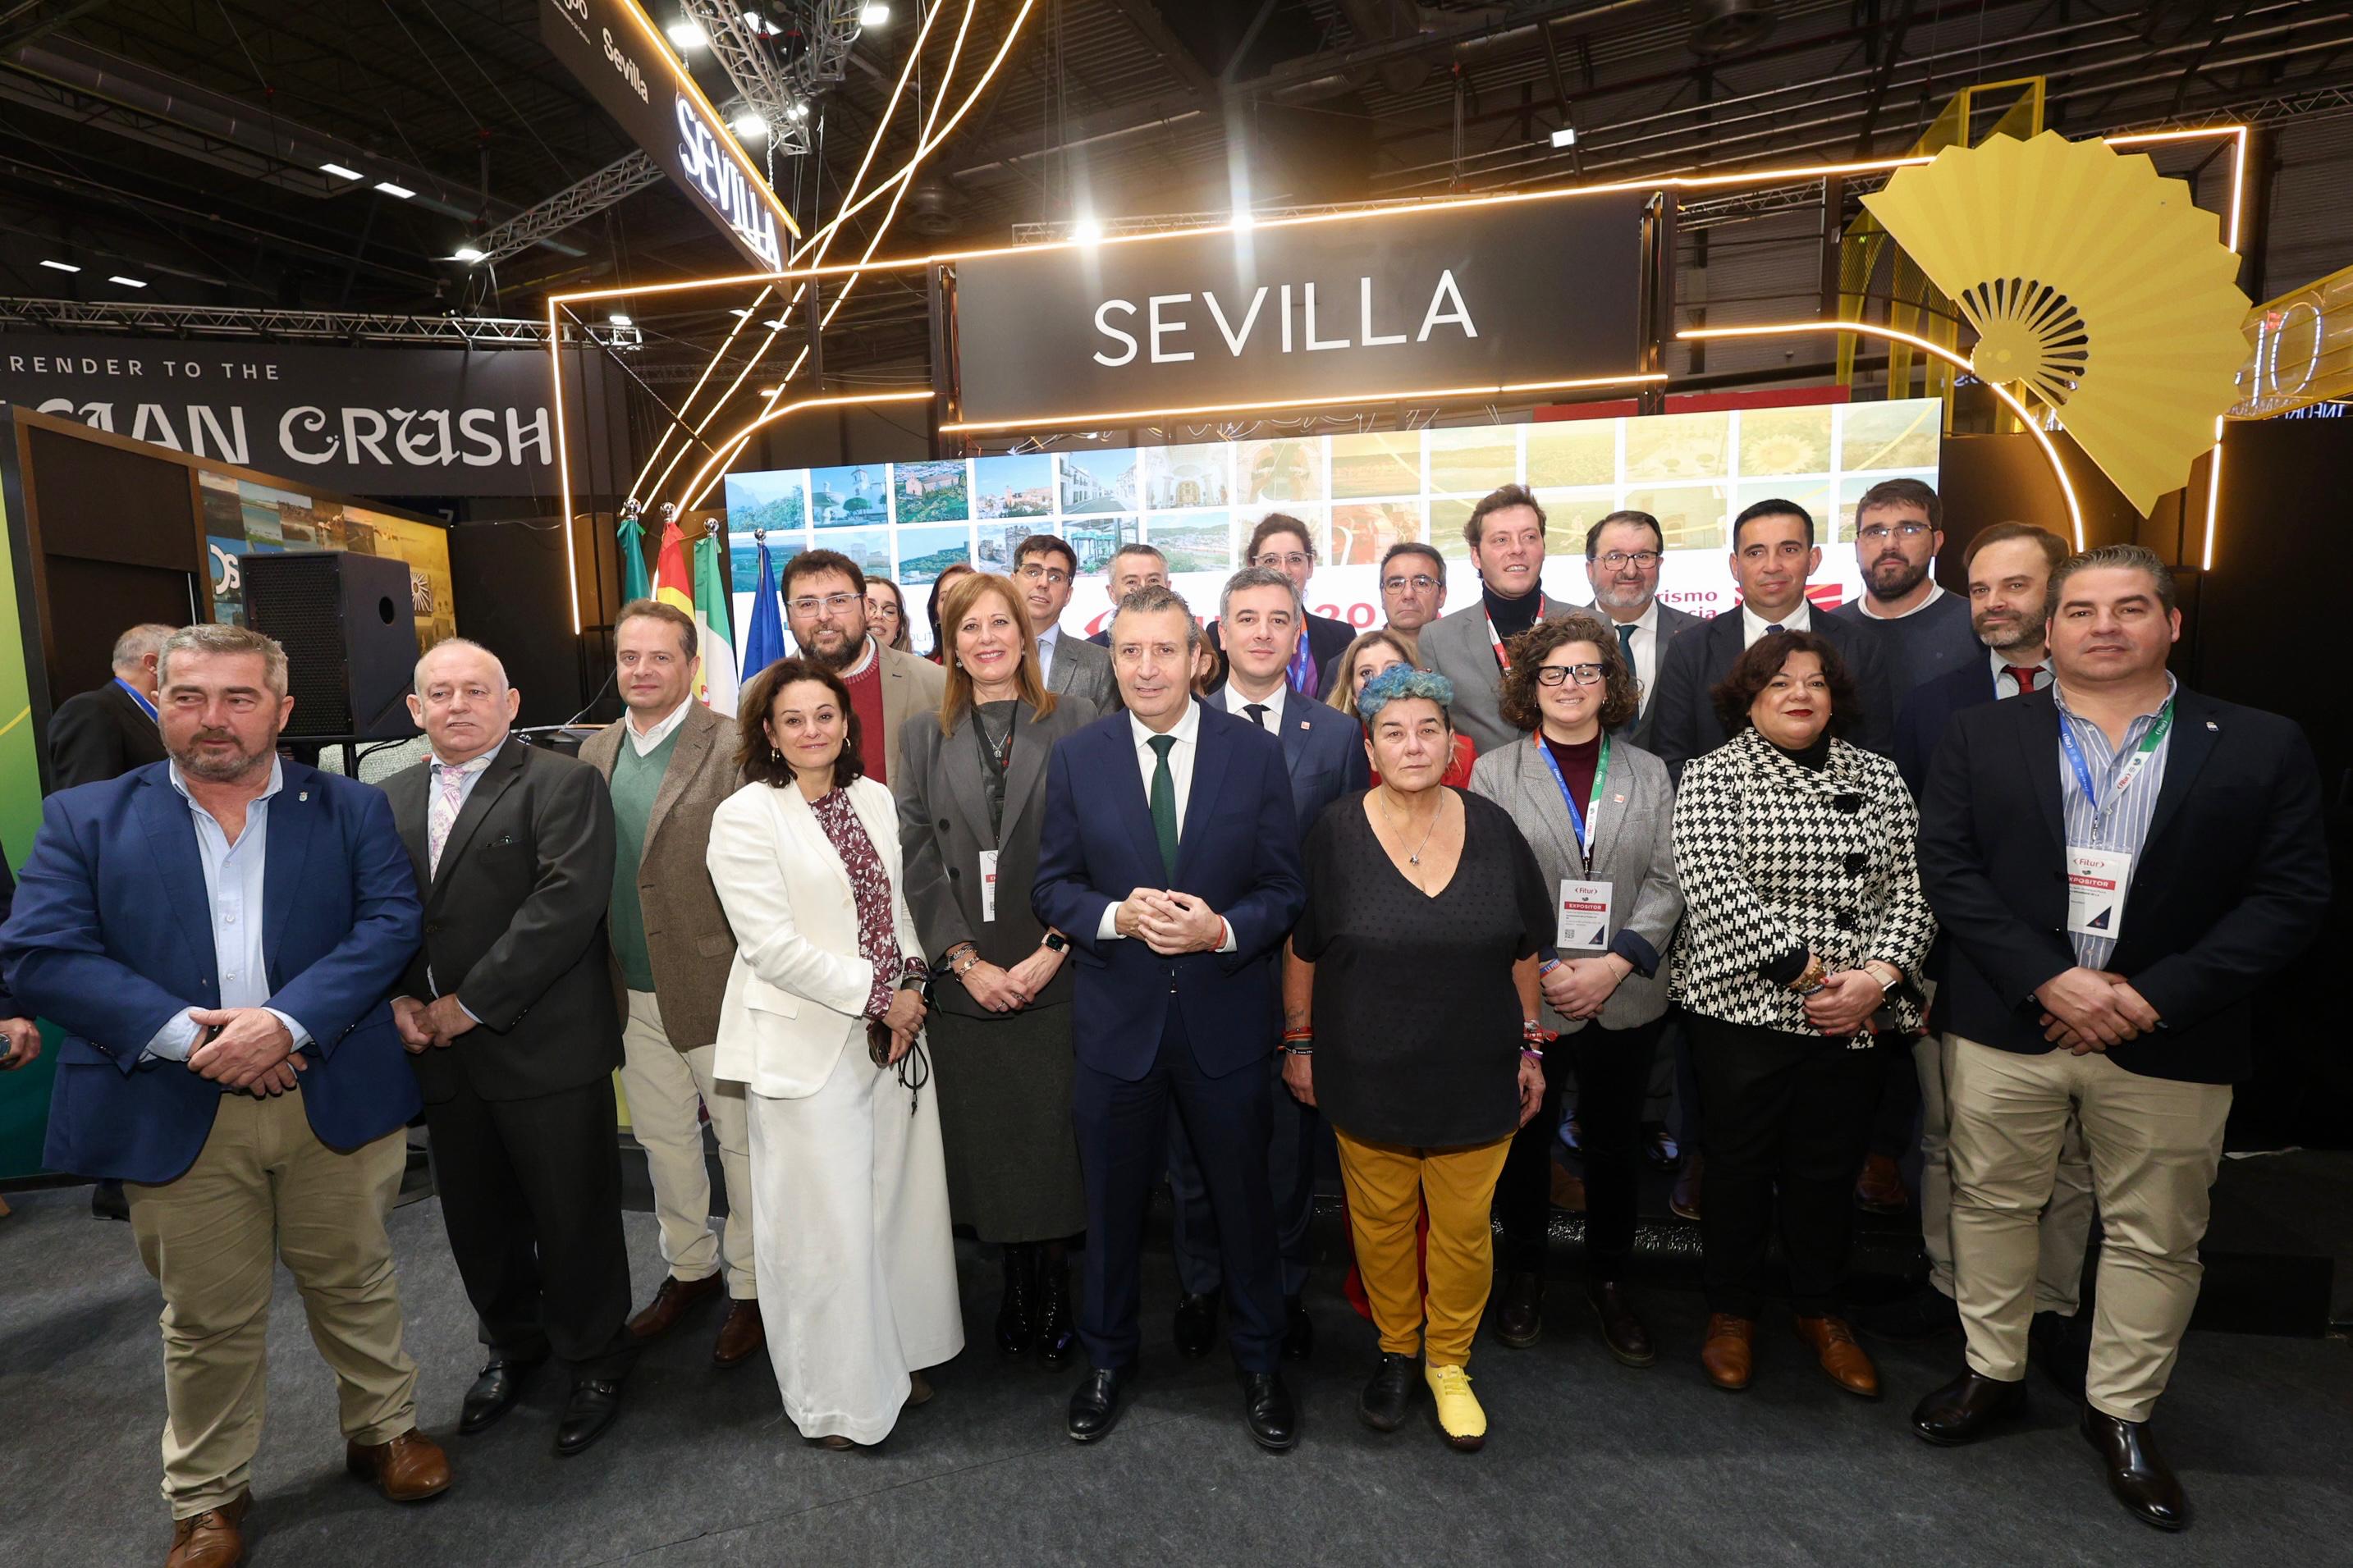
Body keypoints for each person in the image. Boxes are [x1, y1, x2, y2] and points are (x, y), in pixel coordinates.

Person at [4, 623, 448, 1568]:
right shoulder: (86, 818)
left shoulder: (350, 809)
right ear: (156, 702)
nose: (214, 719)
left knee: (356, 1278)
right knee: (205, 1315)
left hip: (325, 1085)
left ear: (281, 712)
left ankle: (385, 1432)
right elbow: (43, 954)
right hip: (174, 1099)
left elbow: (387, 927)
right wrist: (192, 1039)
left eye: (239, 698)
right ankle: (207, 1496)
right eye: (190, 697)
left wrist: (281, 1026)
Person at [1911, 545, 2329, 1533]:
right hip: (2012, 1024)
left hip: (2171, 1035)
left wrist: (2146, 997)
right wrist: (2046, 979)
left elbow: (2288, 896)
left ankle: (2123, 1412)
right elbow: (1949, 868)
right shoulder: (1979, 734)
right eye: (2081, 610)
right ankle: (1992, 1372)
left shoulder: (2260, 743)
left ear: (2170, 624)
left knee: (2154, 1234)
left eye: (2129, 607)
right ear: (2046, 630)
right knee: (1993, 1203)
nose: (2103, 626)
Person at [1032, 584, 1306, 1451]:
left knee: (1244, 1209)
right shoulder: (1078, 758)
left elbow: (1285, 890)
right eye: (1127, 652)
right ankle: (1107, 1361)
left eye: (1162, 650)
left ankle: (1260, 1364)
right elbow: (1052, 886)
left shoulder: (1252, 756)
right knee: (1111, 1214)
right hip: (1118, 1027)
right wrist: (1117, 917)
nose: (1144, 668)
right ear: (1110, 662)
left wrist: (1219, 929)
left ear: (1200, 657)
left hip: (1224, 1025)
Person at [1283, 665, 1553, 1449]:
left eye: (1427, 728)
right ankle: (1397, 1350)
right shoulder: (1333, 831)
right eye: (1393, 731)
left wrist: (1531, 1045)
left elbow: (1524, 950)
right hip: (1365, 1074)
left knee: (1465, 1230)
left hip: (1476, 1071)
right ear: (1370, 746)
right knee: (1380, 1224)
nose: (1412, 743)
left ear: (1452, 742)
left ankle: (1449, 1364)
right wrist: (1297, 1042)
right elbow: (1301, 951)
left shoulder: (1495, 828)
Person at [385, 639, 637, 1457]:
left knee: (575, 1219)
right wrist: (396, 1000)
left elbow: (562, 909)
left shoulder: (563, 784)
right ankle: (513, 1345)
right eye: (439, 692)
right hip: (436, 1054)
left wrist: (468, 1004)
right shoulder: (381, 799)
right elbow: (368, 912)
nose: (458, 704)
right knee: (478, 1222)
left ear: (511, 701)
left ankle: (594, 1359)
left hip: (544, 1047)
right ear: (415, 709)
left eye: (475, 690)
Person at [1670, 630, 1934, 1400]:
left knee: (1828, 1167)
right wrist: (1810, 974)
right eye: (1780, 681)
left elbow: (1912, 895)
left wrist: (1876, 978)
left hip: (1854, 1009)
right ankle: (1730, 1312)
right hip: (1740, 1005)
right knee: (1738, 1165)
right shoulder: (1712, 776)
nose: (1799, 694)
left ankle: (1821, 1310)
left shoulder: (1880, 778)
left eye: (1815, 682)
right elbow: (1713, 886)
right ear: (1747, 696)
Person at [707, 657, 963, 1449]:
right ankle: (836, 1401)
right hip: (803, 1047)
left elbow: (899, 908)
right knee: (821, 1234)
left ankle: (890, 1359)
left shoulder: (873, 798)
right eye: (794, 720)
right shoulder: (747, 816)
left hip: (888, 1040)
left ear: (846, 725)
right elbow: (771, 946)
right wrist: (879, 991)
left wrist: (913, 980)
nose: (813, 730)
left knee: (889, 1215)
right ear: (771, 736)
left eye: (826, 715)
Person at [1872, 522, 2094, 1349]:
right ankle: (1947, 1283)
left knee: (2069, 1159)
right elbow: (1911, 844)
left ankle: (2050, 1305)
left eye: (2016, 586)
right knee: (1945, 1139)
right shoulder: (1936, 702)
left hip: (2085, 967)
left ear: (2056, 594)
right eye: (1982, 589)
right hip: (1952, 957)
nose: (1995, 604)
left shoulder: (2108, 701)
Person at [1168, 566, 1369, 1363]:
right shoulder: (1177, 726)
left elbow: (1345, 865)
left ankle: (1282, 1290)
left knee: (1285, 1157)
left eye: (1276, 619)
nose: (1259, 632)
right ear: (1218, 633)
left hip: (1294, 975)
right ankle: (1198, 1284)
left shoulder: (1338, 735)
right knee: (1191, 1155)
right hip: (1199, 972)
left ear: (1297, 635)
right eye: (1243, 617)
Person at [1470, 615, 1682, 1365]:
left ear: (1610, 682)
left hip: (1623, 991)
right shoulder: (1495, 772)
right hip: (1534, 986)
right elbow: (1491, 880)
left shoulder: (1649, 772)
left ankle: (1611, 1280)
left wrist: (1615, 962)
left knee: (1615, 1145)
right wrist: (1555, 963)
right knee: (1524, 1141)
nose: (1571, 685)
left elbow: (1666, 878)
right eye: (1554, 672)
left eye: (1587, 670)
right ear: (1530, 685)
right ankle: (1524, 1272)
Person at [895, 571, 1095, 1370]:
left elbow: (1098, 847)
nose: (984, 639)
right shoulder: (918, 734)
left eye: (998, 624)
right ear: (949, 643)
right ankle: (1013, 1285)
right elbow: (911, 854)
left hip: (1055, 965)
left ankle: (1051, 1290)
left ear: (1024, 634)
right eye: (967, 627)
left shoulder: (1075, 721)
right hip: (965, 975)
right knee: (991, 1146)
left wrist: (1052, 952)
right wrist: (963, 961)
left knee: (1050, 1145)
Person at [579, 601, 762, 1368]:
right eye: (629, 657)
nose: (642, 671)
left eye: (660, 657)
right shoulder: (594, 751)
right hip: (628, 989)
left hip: (715, 983)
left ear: (692, 664)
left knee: (742, 1145)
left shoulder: (734, 745)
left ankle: (752, 1289)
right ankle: (691, 1268)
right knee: (661, 1140)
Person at [45, 622, 175, 1223]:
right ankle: (117, 1180)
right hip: (122, 915)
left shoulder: (153, 716)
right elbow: (91, 816)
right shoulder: (93, 711)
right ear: (153, 663)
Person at [1650, 497, 1898, 784]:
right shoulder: (1690, 649)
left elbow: (1875, 758)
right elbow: (1672, 759)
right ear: (1735, 565)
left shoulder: (1860, 647)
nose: (1772, 566)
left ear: (1813, 559)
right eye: (1755, 552)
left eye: (1789, 550)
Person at [1420, 485, 1576, 756]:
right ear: (1476, 555)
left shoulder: (1588, 628)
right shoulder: (1438, 639)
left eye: (1529, 537)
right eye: (1501, 540)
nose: (1517, 549)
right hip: (1478, 793)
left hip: (1575, 792)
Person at [785, 548, 946, 784]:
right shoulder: (760, 693)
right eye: (807, 604)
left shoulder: (934, 683)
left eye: (838, 600)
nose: (824, 616)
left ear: (864, 607)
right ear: (789, 616)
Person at [1831, 478, 1979, 696]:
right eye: (1875, 532)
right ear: (1857, 547)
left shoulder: (1977, 626)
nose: (1890, 544)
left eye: (1908, 529)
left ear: (1936, 542)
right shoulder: (1828, 632)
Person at [1578, 511, 1699, 751]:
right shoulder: (1562, 640)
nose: (1631, 571)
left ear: (1659, 564)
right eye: (1615, 557)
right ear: (1590, 569)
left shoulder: (1698, 637)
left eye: (1643, 556)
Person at [1206, 514, 1352, 697]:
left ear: (1311, 566)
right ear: (1252, 567)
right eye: (1271, 560)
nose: (1284, 570)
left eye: (1295, 559)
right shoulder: (1218, 638)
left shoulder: (1341, 638)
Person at [1330, 629, 1474, 787]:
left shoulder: (1461, 753)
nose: (1380, 680)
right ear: (1353, 696)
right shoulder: (1338, 754)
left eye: (1392, 669)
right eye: (1366, 672)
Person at [46, 622, 172, 789]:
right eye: (183, 660)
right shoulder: (90, 710)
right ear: (152, 664)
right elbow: (88, 798)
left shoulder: (148, 713)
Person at [1320, 542, 1447, 688]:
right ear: (1382, 597)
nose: (1408, 594)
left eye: (1421, 583)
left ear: (1442, 595)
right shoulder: (1345, 666)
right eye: (1396, 584)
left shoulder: (1465, 658)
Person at [1014, 533, 1118, 711]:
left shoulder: (1101, 663)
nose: (1043, 583)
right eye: (1032, 572)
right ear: (1013, 581)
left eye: (1055, 577)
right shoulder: (987, 652)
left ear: (1068, 595)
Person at [1087, 542, 1168, 647]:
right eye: (1131, 582)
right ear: (1112, 593)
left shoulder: (1190, 645)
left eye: (1153, 580)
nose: (1143, 588)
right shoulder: (1089, 653)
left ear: (1168, 587)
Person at [922, 561, 976, 660]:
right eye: (945, 598)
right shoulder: (922, 670)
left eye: (962, 596)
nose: (953, 604)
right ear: (936, 614)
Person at [866, 578, 913, 653]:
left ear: (898, 627)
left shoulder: (917, 664)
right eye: (868, 607)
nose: (879, 615)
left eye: (889, 611)